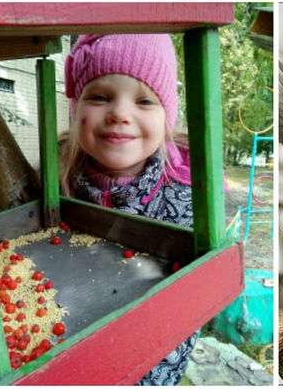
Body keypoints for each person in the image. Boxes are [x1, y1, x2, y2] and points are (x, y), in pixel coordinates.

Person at [61, 33, 196, 386]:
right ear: (77, 111)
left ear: (167, 115)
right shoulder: (56, 179)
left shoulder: (187, 193)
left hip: (151, 364)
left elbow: (189, 302)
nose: (120, 113)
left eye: (145, 101)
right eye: (100, 97)